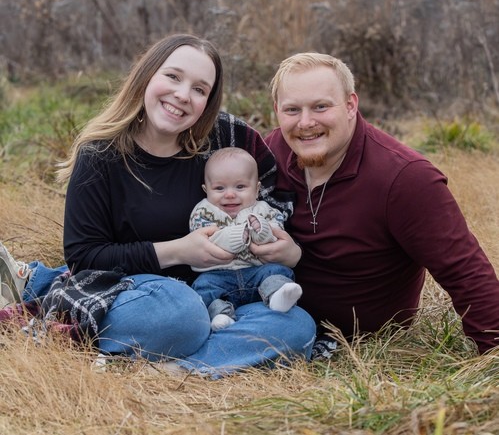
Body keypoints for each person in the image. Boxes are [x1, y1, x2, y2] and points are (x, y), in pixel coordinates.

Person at [0, 34, 316, 377]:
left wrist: (288, 251)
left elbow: (273, 197)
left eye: (199, 89)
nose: (183, 95)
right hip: (137, 294)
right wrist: (179, 251)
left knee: (296, 326)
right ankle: (47, 294)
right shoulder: (101, 155)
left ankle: (172, 367)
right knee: (181, 314)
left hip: (221, 296)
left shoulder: (227, 139)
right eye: (173, 77)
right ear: (147, 75)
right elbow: (84, 257)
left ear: (208, 101)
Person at [262, 52, 499, 357]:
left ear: (350, 105)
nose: (305, 122)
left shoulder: (405, 178)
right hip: (266, 311)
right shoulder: (270, 153)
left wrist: (493, 353)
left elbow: (464, 271)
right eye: (292, 110)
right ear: (277, 111)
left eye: (321, 106)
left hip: (358, 339)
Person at [189, 147, 303, 331]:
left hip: (257, 272)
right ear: (206, 190)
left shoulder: (264, 210)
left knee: (277, 271)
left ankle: (277, 297)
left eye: (240, 187)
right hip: (219, 275)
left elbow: (276, 236)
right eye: (219, 188)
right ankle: (221, 314)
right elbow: (206, 241)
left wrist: (261, 229)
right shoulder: (203, 212)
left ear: (257, 189)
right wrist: (238, 235)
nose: (229, 194)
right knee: (203, 286)